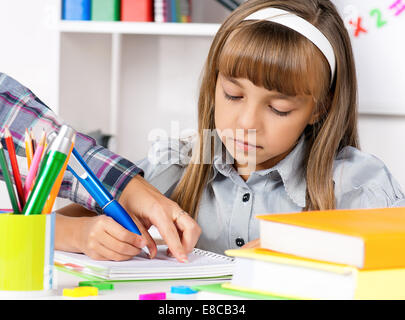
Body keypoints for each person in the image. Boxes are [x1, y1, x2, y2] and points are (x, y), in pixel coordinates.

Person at [133, 0, 405, 255]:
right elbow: (99, 203)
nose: (247, 122)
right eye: (233, 95)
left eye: (279, 109)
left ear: (320, 107)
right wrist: (89, 231)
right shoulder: (179, 162)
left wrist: (315, 247)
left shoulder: (358, 185)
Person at [0, 72, 201, 262]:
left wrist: (128, 187)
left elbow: (14, 116)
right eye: (231, 95)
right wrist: (72, 233)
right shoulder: (170, 165)